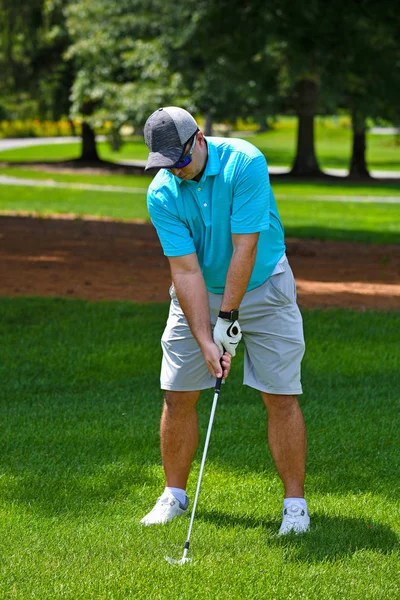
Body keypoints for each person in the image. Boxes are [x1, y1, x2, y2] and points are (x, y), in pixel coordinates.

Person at [140, 106, 309, 535]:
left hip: (265, 284)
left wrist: (227, 321)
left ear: (199, 139)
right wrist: (205, 337)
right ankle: (174, 496)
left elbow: (245, 249)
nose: (174, 171)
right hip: (199, 293)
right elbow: (186, 272)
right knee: (178, 394)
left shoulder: (245, 162)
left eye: (179, 160)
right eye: (164, 165)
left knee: (280, 394)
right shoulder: (161, 193)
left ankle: (294, 505)